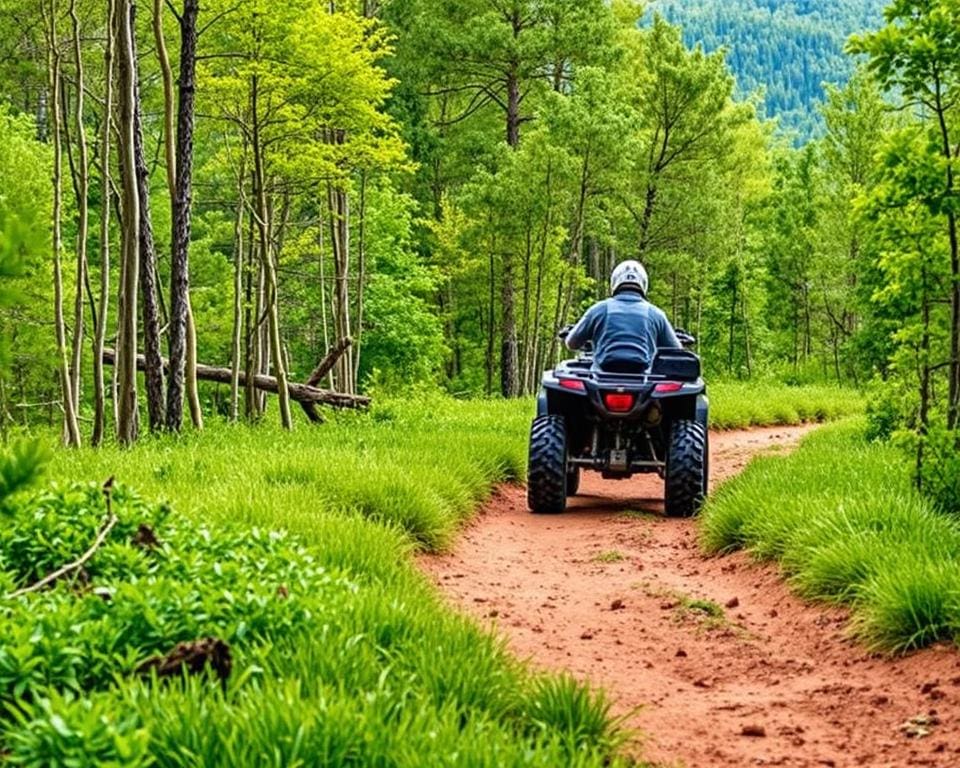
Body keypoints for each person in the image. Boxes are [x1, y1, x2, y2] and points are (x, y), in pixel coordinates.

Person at [565, 260, 681, 372]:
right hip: (644, 380)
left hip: (601, 376)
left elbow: (571, 343)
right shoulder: (656, 314)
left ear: (614, 282)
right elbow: (676, 351)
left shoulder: (598, 309)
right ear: (644, 284)